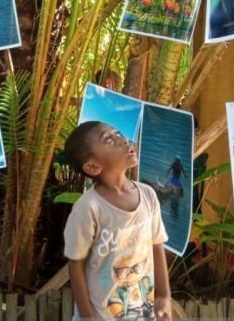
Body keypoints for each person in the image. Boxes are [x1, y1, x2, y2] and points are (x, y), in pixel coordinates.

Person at [63, 121, 171, 320]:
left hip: (143, 311)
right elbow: (75, 264)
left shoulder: (148, 195)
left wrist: (163, 295)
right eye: (109, 140)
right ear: (94, 167)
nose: (123, 140)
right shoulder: (89, 208)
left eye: (118, 133)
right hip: (101, 314)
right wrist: (87, 317)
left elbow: (157, 244)